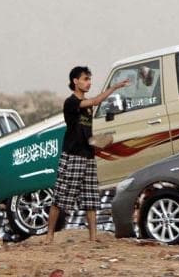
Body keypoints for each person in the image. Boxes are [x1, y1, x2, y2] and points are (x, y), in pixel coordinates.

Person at [46, 66, 130, 243]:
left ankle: (93, 238)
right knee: (61, 196)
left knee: (90, 197)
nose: (88, 82)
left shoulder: (88, 107)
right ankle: (49, 235)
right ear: (75, 81)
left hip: (88, 155)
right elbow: (94, 101)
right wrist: (113, 88)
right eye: (85, 79)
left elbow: (85, 130)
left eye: (89, 79)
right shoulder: (71, 102)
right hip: (73, 155)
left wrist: (97, 142)